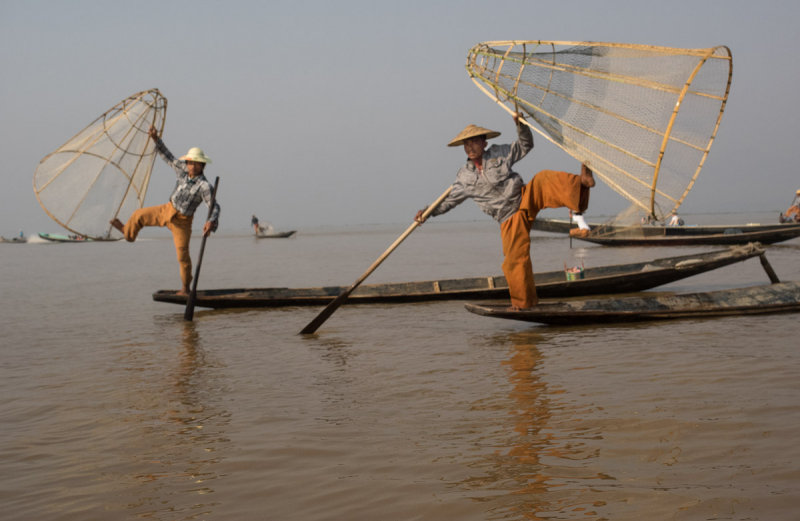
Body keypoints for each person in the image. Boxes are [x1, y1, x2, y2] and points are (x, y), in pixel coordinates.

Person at [415, 114, 594, 310]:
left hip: (524, 198)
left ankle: (581, 183)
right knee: (515, 260)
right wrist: (426, 212)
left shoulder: (499, 153)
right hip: (508, 218)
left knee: (543, 179)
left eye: (474, 141)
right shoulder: (464, 177)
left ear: (484, 143)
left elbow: (525, 146)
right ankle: (524, 304)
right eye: (466, 144)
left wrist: (521, 126)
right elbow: (447, 203)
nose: (470, 147)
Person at [111, 126, 220, 296]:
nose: (192, 166)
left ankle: (185, 288)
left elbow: (214, 207)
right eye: (190, 162)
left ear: (202, 166)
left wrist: (210, 222)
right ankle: (127, 233)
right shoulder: (182, 170)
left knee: (183, 256)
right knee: (138, 215)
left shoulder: (204, 186)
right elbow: (168, 157)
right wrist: (155, 139)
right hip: (166, 209)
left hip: (182, 222)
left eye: (195, 163)